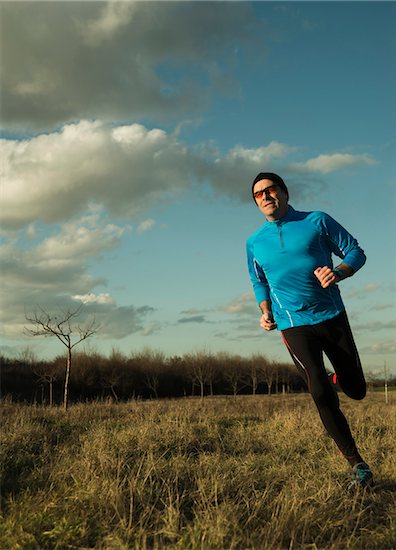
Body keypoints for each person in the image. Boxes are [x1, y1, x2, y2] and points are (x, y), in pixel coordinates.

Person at [246, 172, 373, 490]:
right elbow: (258, 281)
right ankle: (357, 464)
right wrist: (265, 312)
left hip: (331, 315)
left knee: (356, 390)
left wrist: (339, 272)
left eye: (270, 190)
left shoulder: (317, 221)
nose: (265, 197)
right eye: (258, 195)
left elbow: (356, 251)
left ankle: (337, 379)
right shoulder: (254, 242)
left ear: (285, 193)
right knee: (317, 390)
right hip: (292, 324)